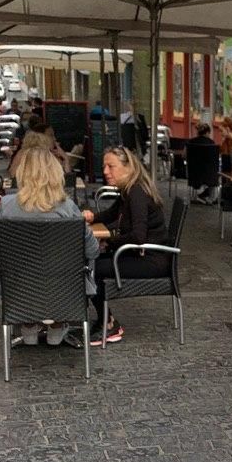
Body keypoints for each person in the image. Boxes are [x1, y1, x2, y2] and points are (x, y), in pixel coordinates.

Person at [0, 150, 98, 347]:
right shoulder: (67, 208)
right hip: (63, 288)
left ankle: (28, 325)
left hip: (19, 288)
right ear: (55, 174)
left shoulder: (6, 206)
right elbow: (92, 251)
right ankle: (58, 325)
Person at [81, 146, 167, 346]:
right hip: (140, 254)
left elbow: (137, 236)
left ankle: (108, 323)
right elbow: (111, 215)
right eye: (104, 166)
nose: (105, 171)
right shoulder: (127, 191)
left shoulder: (136, 193)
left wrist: (109, 239)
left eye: (111, 166)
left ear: (128, 168)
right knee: (89, 262)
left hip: (152, 259)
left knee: (93, 269)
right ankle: (105, 319)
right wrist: (92, 216)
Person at [187, 123, 218, 202]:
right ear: (207, 132)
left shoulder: (190, 142)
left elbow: (184, 155)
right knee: (214, 172)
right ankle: (211, 198)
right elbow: (214, 158)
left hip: (193, 174)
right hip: (209, 175)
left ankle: (200, 196)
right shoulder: (212, 143)